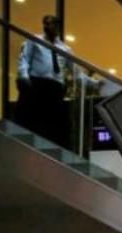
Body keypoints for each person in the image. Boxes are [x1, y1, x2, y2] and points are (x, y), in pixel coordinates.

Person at [16, 15, 96, 148]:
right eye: (45, 23)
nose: (46, 26)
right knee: (33, 121)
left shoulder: (65, 49)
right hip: (37, 84)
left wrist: (93, 83)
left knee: (54, 124)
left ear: (57, 27)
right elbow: (24, 59)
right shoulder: (34, 40)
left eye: (50, 24)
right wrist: (23, 76)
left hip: (55, 88)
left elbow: (76, 72)